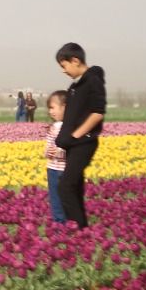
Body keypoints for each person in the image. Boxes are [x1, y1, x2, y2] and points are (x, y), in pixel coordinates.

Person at [54, 42, 106, 229]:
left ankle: (78, 230)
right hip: (74, 144)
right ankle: (82, 230)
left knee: (65, 186)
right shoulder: (76, 86)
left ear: (75, 60)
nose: (63, 70)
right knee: (74, 187)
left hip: (84, 143)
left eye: (64, 65)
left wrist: (75, 136)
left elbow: (97, 112)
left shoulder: (92, 80)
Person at [42, 90, 69, 224]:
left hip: (65, 170)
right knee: (54, 198)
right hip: (52, 168)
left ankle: (67, 221)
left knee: (66, 197)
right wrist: (48, 152)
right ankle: (59, 222)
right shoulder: (53, 127)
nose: (50, 111)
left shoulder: (72, 127)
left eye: (53, 107)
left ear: (65, 107)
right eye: (49, 108)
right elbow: (47, 147)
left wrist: (59, 152)